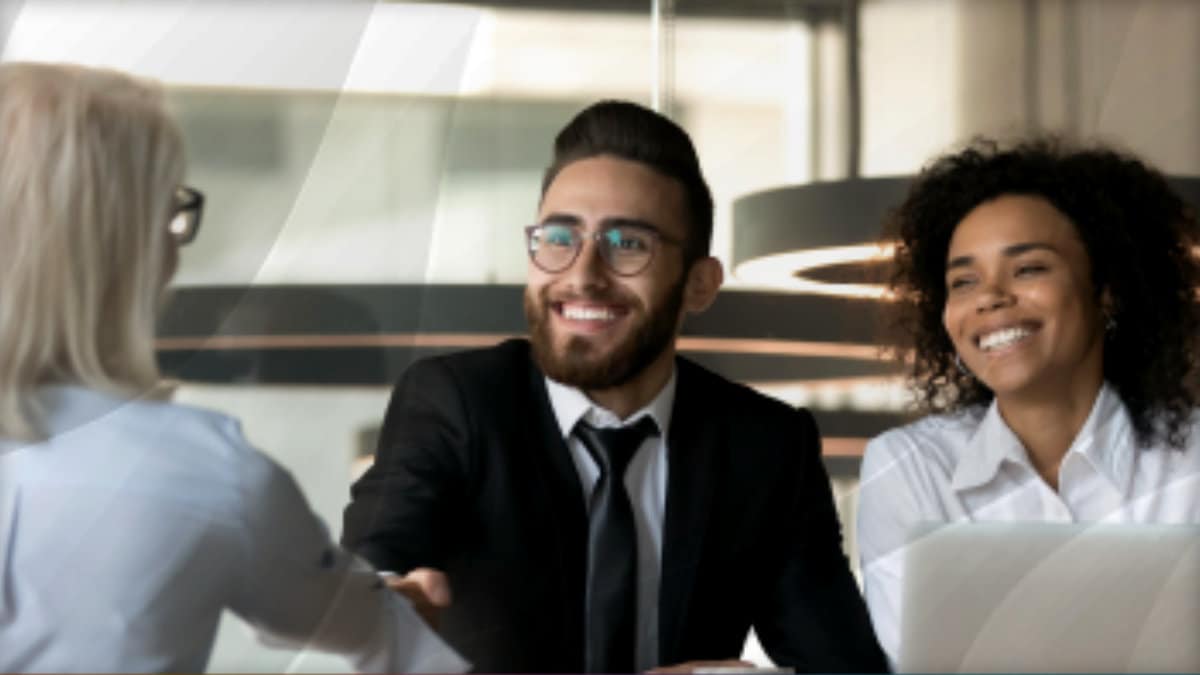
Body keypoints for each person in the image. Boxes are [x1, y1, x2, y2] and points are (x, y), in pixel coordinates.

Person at [342, 100, 887, 673]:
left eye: (628, 244)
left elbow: (842, 664)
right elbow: (379, 552)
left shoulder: (767, 445)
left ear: (699, 285)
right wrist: (374, 605)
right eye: (559, 236)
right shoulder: (456, 401)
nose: (581, 274)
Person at [0, 62, 467, 673]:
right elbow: (374, 634)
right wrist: (397, 613)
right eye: (169, 211)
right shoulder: (205, 471)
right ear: (128, 248)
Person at [856, 137, 1200, 666]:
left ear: (1104, 289)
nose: (991, 296)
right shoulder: (909, 466)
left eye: (1029, 268)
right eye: (964, 281)